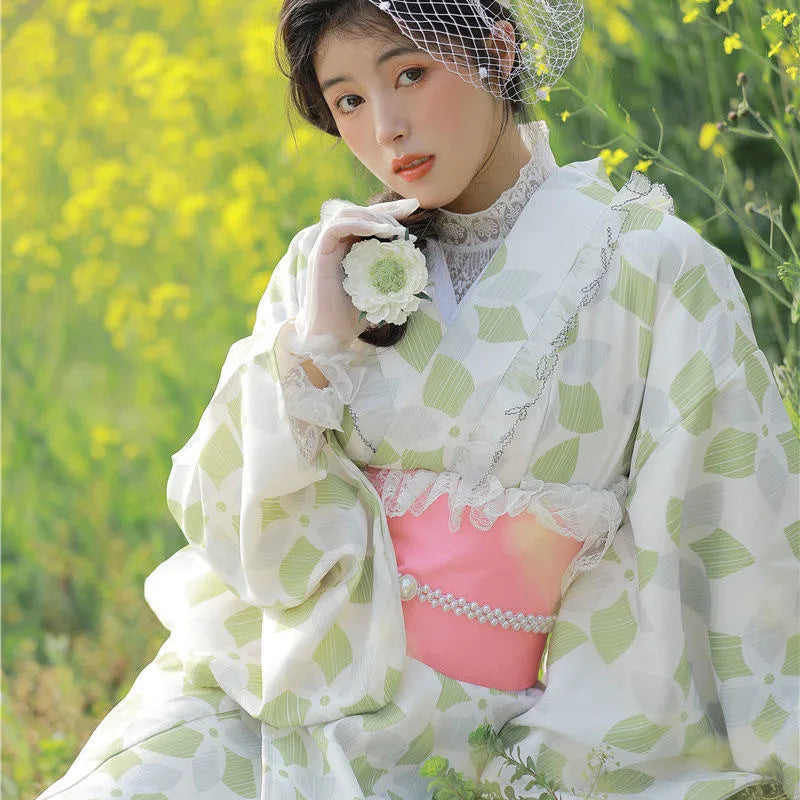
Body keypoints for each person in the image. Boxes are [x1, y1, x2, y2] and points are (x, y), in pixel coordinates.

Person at [35, 0, 799, 798]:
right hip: (275, 673)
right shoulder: (325, 264)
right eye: (350, 101)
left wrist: (560, 741)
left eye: (410, 73)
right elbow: (235, 532)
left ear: (497, 50)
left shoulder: (653, 265)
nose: (387, 128)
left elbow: (721, 524)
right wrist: (312, 357)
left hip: (490, 723)